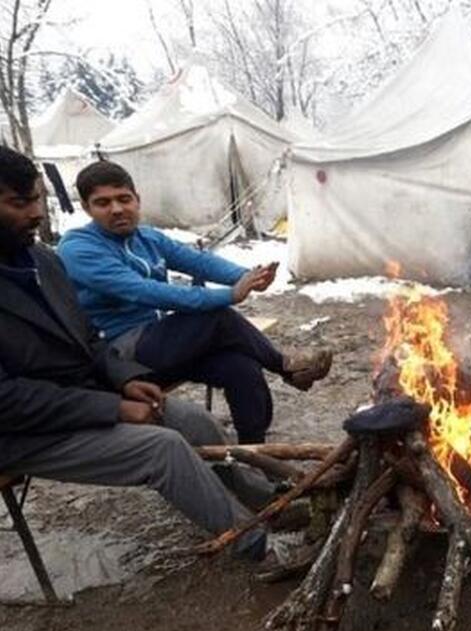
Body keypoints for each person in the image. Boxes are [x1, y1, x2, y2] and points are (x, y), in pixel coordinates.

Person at [0, 146, 268, 560]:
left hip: (88, 392)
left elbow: (87, 338)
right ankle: (254, 543)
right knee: (163, 449)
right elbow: (7, 401)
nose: (36, 213)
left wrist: (125, 379)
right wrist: (112, 407)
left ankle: (262, 500)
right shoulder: (75, 250)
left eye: (36, 198)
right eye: (19, 204)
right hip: (25, 433)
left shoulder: (40, 260)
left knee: (195, 421)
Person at [58, 161, 332, 444]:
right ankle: (286, 366)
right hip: (120, 359)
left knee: (242, 367)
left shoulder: (147, 237)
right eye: (103, 203)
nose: (116, 209)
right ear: (87, 208)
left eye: (123, 199)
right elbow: (144, 291)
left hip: (162, 347)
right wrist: (229, 294)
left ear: (137, 199)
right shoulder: (78, 248)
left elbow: (197, 261)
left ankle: (255, 452)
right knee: (217, 317)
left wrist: (248, 276)